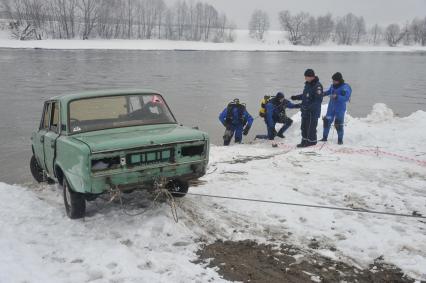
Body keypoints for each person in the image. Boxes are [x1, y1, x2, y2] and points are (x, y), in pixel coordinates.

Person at [291, 69, 324, 148]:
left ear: (311, 77)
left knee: (311, 128)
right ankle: (304, 141)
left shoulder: (317, 86)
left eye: (306, 77)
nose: (305, 78)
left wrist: (308, 108)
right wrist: (296, 97)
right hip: (305, 111)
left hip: (312, 112)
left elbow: (318, 101)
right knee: (304, 127)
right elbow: (305, 95)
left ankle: (311, 143)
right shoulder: (308, 84)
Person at [321, 72, 352, 145]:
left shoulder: (345, 87)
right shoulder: (332, 86)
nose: (333, 82)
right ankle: (324, 138)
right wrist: (323, 94)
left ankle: (340, 140)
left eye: (334, 81)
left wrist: (337, 97)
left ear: (339, 80)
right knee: (327, 121)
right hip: (331, 108)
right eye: (333, 80)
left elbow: (346, 98)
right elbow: (329, 91)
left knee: (338, 124)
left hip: (340, 109)